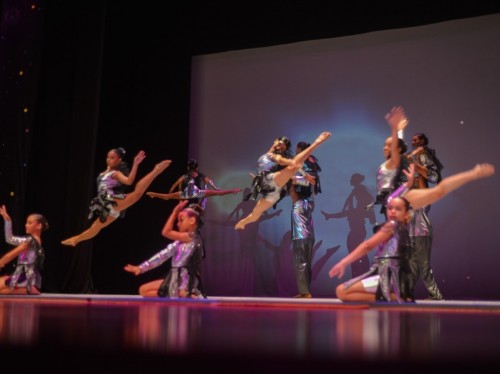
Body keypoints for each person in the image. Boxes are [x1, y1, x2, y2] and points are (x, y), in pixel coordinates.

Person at [329, 162, 495, 303]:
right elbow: (395, 200)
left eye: (397, 209)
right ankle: (395, 295)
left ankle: (392, 296)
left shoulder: (392, 226)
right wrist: (406, 185)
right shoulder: (398, 223)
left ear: (407, 214)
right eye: (390, 209)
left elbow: (367, 245)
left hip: (390, 277)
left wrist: (343, 262)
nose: (392, 211)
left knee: (341, 291)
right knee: (343, 291)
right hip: (394, 276)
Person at [61, 147, 171, 247]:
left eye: (112, 158)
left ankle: (155, 171)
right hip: (105, 204)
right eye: (108, 157)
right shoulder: (103, 173)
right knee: (95, 227)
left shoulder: (115, 173)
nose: (109, 160)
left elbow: (129, 181)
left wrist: (135, 163)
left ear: (119, 160)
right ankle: (76, 240)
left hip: (111, 199)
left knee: (137, 194)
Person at [235, 131, 332, 230]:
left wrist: (301, 171)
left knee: (291, 169)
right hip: (268, 184)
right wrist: (293, 163)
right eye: (280, 144)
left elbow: (281, 160)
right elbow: (284, 163)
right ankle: (243, 222)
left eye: (283, 147)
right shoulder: (270, 155)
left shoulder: (276, 156)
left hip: (274, 187)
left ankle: (317, 142)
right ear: (275, 141)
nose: (280, 147)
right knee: (255, 213)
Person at [124, 200, 205, 298]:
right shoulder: (179, 242)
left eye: (181, 220)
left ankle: (187, 293)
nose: (178, 224)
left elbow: (166, 232)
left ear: (192, 221)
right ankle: (182, 295)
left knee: (148, 291)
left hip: (185, 278)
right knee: (144, 290)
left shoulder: (192, 237)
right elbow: (162, 255)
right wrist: (141, 268)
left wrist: (175, 212)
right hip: (174, 276)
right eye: (178, 221)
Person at [406, 132, 444, 300]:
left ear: (423, 141)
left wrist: (415, 164)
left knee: (422, 264)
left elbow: (433, 176)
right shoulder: (416, 157)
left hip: (421, 225)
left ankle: (435, 294)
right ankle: (406, 293)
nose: (413, 141)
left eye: (416, 139)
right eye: (412, 139)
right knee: (412, 263)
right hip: (413, 226)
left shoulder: (424, 156)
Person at [289, 141, 322, 298]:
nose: (297, 155)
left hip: (301, 206)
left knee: (300, 248)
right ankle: (305, 291)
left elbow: (311, 180)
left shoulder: (307, 166)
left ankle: (305, 291)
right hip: (305, 205)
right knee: (305, 250)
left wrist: (292, 179)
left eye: (298, 152)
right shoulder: (308, 165)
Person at [368, 106, 409, 216]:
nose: (386, 147)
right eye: (385, 145)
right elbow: (398, 146)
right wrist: (400, 130)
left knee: (396, 231)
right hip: (389, 201)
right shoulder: (390, 162)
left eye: (389, 145)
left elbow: (397, 146)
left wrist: (394, 128)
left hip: (394, 200)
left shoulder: (393, 163)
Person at [0, 205, 49, 295]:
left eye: (29, 223)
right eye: (26, 223)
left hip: (25, 276)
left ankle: (28, 288)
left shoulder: (29, 242)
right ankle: (27, 290)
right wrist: (8, 221)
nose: (26, 225)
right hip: (32, 277)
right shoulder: (34, 240)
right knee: (2, 290)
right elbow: (9, 239)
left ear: (39, 226)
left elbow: (9, 256)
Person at [146, 160, 241, 204]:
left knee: (167, 197)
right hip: (194, 193)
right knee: (217, 193)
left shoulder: (189, 175)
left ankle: (153, 194)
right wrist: (216, 188)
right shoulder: (190, 175)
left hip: (192, 193)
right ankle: (233, 191)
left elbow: (209, 181)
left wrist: (171, 193)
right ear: (195, 168)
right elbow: (210, 182)